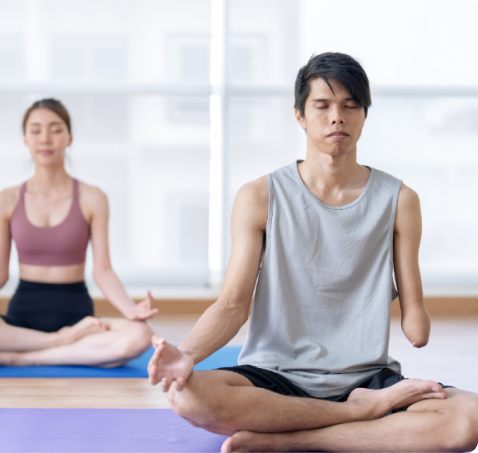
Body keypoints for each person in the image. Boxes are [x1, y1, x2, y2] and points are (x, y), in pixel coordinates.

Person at [147, 53, 478, 452]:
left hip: (367, 379)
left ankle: (290, 441)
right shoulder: (259, 196)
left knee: (469, 420)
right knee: (189, 396)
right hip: (277, 378)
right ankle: (355, 417)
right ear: (300, 116)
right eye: (322, 106)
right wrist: (186, 355)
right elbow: (233, 305)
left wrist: (414, 312)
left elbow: (416, 328)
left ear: (364, 115)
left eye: (350, 106)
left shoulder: (400, 199)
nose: (336, 117)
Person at [0, 98, 156, 370]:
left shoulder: (93, 198)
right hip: (22, 318)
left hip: (77, 317)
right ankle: (58, 343)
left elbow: (103, 270)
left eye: (55, 130)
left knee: (141, 334)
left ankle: (23, 356)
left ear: (69, 138)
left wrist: (130, 310)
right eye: (36, 130)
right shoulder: (5, 200)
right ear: (25, 139)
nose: (45, 139)